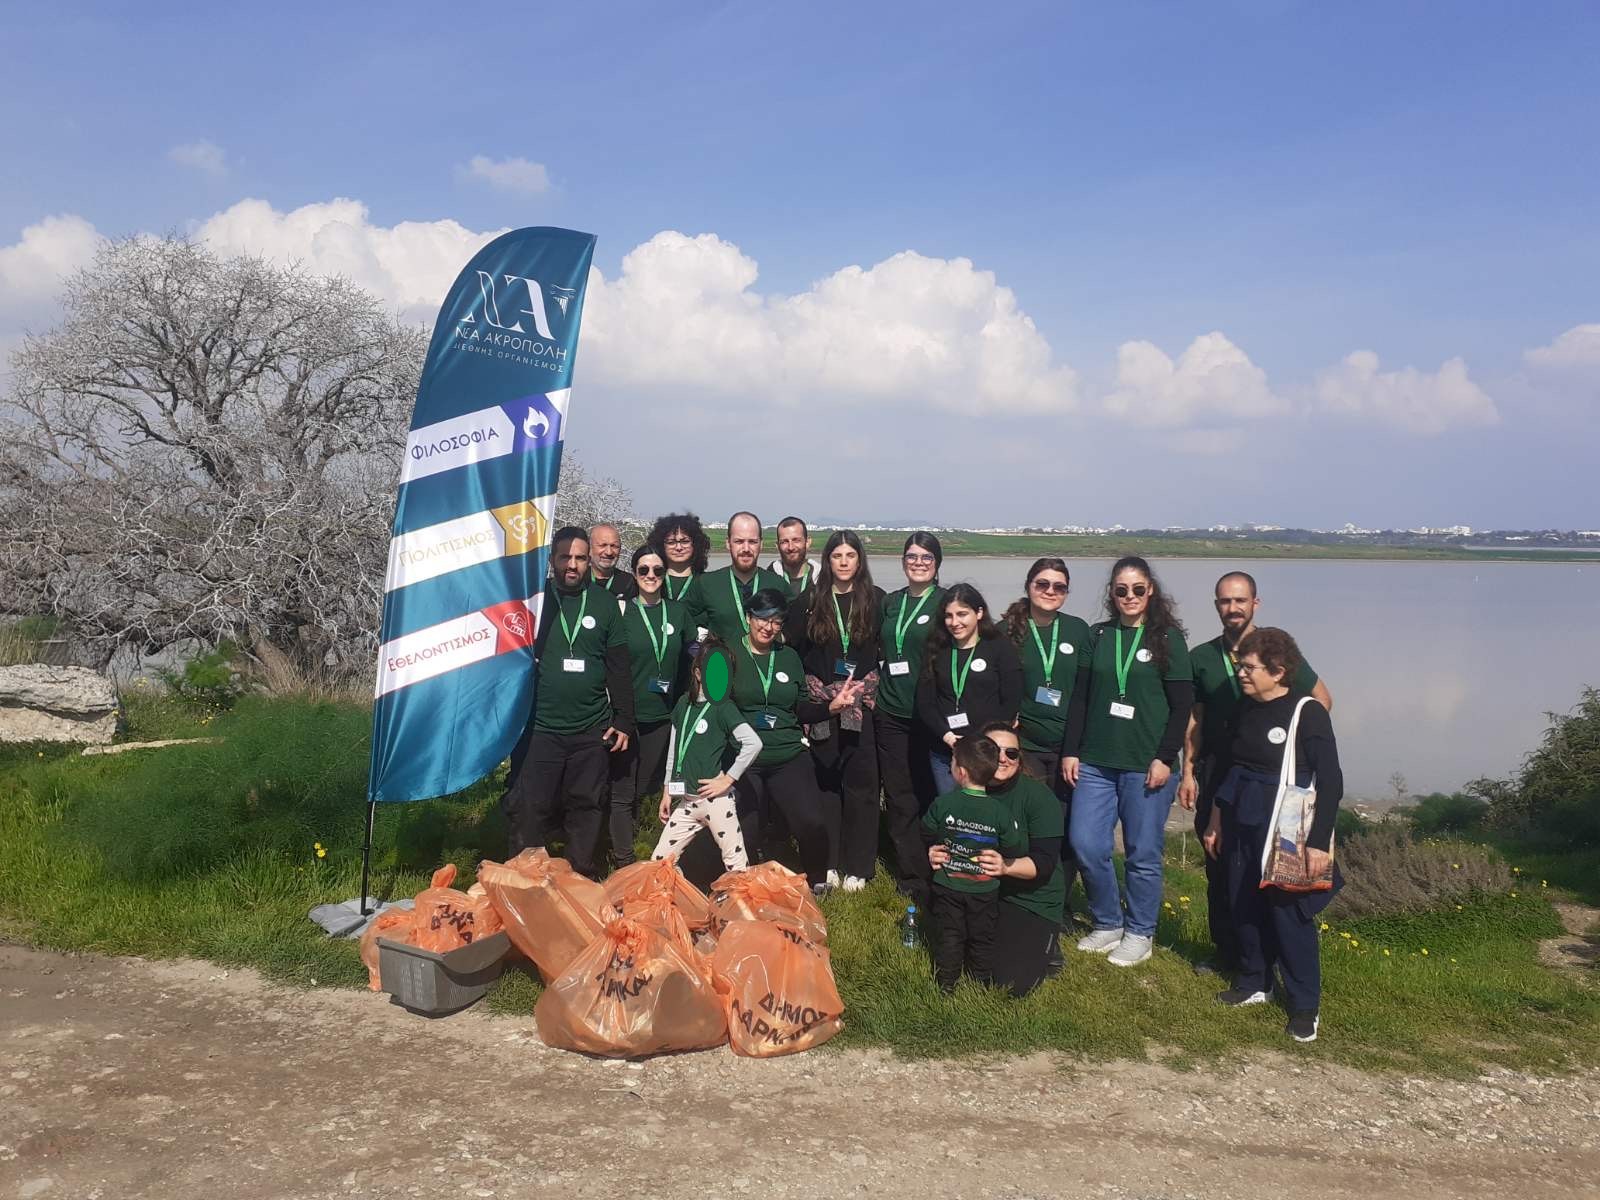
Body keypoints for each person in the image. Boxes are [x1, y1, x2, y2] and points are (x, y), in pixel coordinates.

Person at [1178, 571, 1333, 973]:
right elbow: (1195, 718)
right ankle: (1229, 953)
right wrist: (1188, 771)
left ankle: (1274, 958)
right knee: (1220, 868)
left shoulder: (1272, 650)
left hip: (1268, 778)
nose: (1232, 608)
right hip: (1219, 773)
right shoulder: (1203, 657)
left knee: (1269, 872)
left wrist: (1287, 749)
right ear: (1216, 606)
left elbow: (1321, 701)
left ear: (1255, 604)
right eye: (1224, 601)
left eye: (1240, 601)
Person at [1200, 627, 1343, 1043]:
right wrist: (1215, 819)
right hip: (1241, 815)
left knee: (1288, 912)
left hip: (1286, 825)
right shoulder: (1245, 708)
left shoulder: (1307, 712)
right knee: (1241, 899)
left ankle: (1304, 1006)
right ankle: (1254, 981)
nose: (1241, 673)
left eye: (1249, 667)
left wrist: (1317, 843)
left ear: (1278, 671)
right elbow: (1232, 767)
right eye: (1240, 665)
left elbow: (1331, 780)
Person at [1060, 557, 1193, 967]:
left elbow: (1182, 704)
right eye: (1121, 590)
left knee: (1142, 852)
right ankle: (1107, 922)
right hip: (1097, 761)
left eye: (1137, 589)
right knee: (1086, 842)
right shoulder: (1099, 636)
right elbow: (1080, 697)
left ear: (1150, 590)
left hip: (1145, 764)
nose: (1129, 597)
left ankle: (1140, 933)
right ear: (1112, 593)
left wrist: (1165, 758)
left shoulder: (1168, 639)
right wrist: (1071, 749)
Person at [499, 526, 634, 878]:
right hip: (539, 728)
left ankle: (580, 882)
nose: (572, 565)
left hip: (590, 729)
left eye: (579, 558)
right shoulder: (535, 602)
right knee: (530, 808)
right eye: (565, 557)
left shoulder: (604, 604)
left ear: (588, 561)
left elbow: (618, 665)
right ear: (552, 560)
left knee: (586, 807)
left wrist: (624, 719)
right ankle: (522, 883)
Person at [730, 587, 860, 891]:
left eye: (776, 622)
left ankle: (816, 883)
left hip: (787, 754)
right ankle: (746, 887)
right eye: (761, 618)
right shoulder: (728, 654)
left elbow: (799, 708)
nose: (768, 627)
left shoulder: (788, 658)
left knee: (812, 822)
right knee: (746, 828)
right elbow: (717, 706)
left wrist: (830, 707)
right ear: (748, 617)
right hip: (743, 758)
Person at [935, 722, 1068, 997]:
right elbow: (945, 836)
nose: (1004, 759)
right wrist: (936, 852)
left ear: (1020, 760)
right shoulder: (965, 793)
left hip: (1031, 896)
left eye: (1012, 753)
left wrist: (1005, 866)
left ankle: (1048, 944)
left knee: (1007, 984)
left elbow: (1044, 864)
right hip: (981, 890)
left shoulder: (1038, 798)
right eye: (996, 751)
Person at [784, 530, 883, 892]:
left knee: (862, 786)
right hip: (823, 706)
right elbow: (790, 648)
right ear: (827, 561)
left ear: (860, 561)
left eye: (850, 556)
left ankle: (858, 865)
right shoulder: (810, 602)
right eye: (836, 556)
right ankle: (828, 863)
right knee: (827, 784)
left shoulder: (876, 601)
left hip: (861, 707)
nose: (843, 562)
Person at [1003, 558, 1092, 924]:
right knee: (1029, 825)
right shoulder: (1009, 629)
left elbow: (1086, 692)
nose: (1050, 592)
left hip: (1070, 748)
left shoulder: (1078, 631)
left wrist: (1073, 749)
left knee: (1068, 827)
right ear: (1028, 586)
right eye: (1043, 584)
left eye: (1059, 586)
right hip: (1025, 747)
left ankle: (1061, 899)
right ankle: (1024, 893)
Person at [606, 543, 689, 868]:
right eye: (644, 570)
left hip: (661, 717)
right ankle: (624, 861)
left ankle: (644, 848)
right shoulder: (621, 610)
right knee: (623, 791)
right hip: (626, 717)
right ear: (634, 573)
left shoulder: (678, 611)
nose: (651, 576)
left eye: (657, 570)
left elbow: (694, 654)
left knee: (646, 787)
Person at [920, 736, 1025, 992]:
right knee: (982, 937)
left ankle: (946, 983)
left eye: (952, 762)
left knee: (950, 935)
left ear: (961, 772)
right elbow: (1013, 846)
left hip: (948, 884)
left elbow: (926, 831)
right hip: (984, 887)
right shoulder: (1000, 811)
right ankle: (980, 983)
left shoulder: (944, 803)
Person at [876, 533, 945, 908]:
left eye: (926, 557)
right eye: (912, 556)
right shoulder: (892, 602)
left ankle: (942, 869)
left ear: (937, 563)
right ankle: (912, 876)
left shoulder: (945, 602)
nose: (918, 562)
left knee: (932, 796)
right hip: (890, 713)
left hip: (930, 717)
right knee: (901, 797)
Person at [652, 644, 762, 873]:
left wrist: (728, 779)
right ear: (698, 673)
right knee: (659, 863)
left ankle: (740, 906)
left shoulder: (723, 707)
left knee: (737, 866)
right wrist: (666, 790)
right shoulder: (683, 703)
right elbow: (675, 747)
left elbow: (753, 743)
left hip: (717, 802)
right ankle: (673, 903)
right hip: (686, 803)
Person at [916, 583, 1023, 796]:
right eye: (949, 616)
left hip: (987, 753)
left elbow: (1011, 700)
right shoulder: (938, 647)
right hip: (946, 753)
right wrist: (948, 737)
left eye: (962, 614)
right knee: (954, 817)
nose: (955, 623)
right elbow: (925, 702)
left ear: (979, 612)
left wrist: (985, 742)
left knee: (987, 815)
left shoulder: (999, 646)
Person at [684, 511, 786, 646]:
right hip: (722, 664)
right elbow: (682, 619)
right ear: (728, 543)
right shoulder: (707, 583)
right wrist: (701, 646)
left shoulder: (777, 584)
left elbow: (794, 629)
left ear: (761, 544)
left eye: (752, 542)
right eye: (739, 541)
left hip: (765, 665)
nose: (746, 548)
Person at [646, 512, 710, 602]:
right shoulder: (650, 580)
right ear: (661, 545)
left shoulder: (707, 582)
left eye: (685, 541)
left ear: (696, 544)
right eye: (671, 542)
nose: (678, 548)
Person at [768, 515, 819, 600]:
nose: (791, 547)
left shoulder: (822, 580)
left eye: (796, 540)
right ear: (777, 546)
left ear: (807, 542)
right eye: (784, 541)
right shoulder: (769, 579)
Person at [587, 523, 638, 600]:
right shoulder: (579, 580)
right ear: (589, 548)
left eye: (614, 546)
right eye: (602, 545)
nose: (609, 552)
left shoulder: (629, 583)